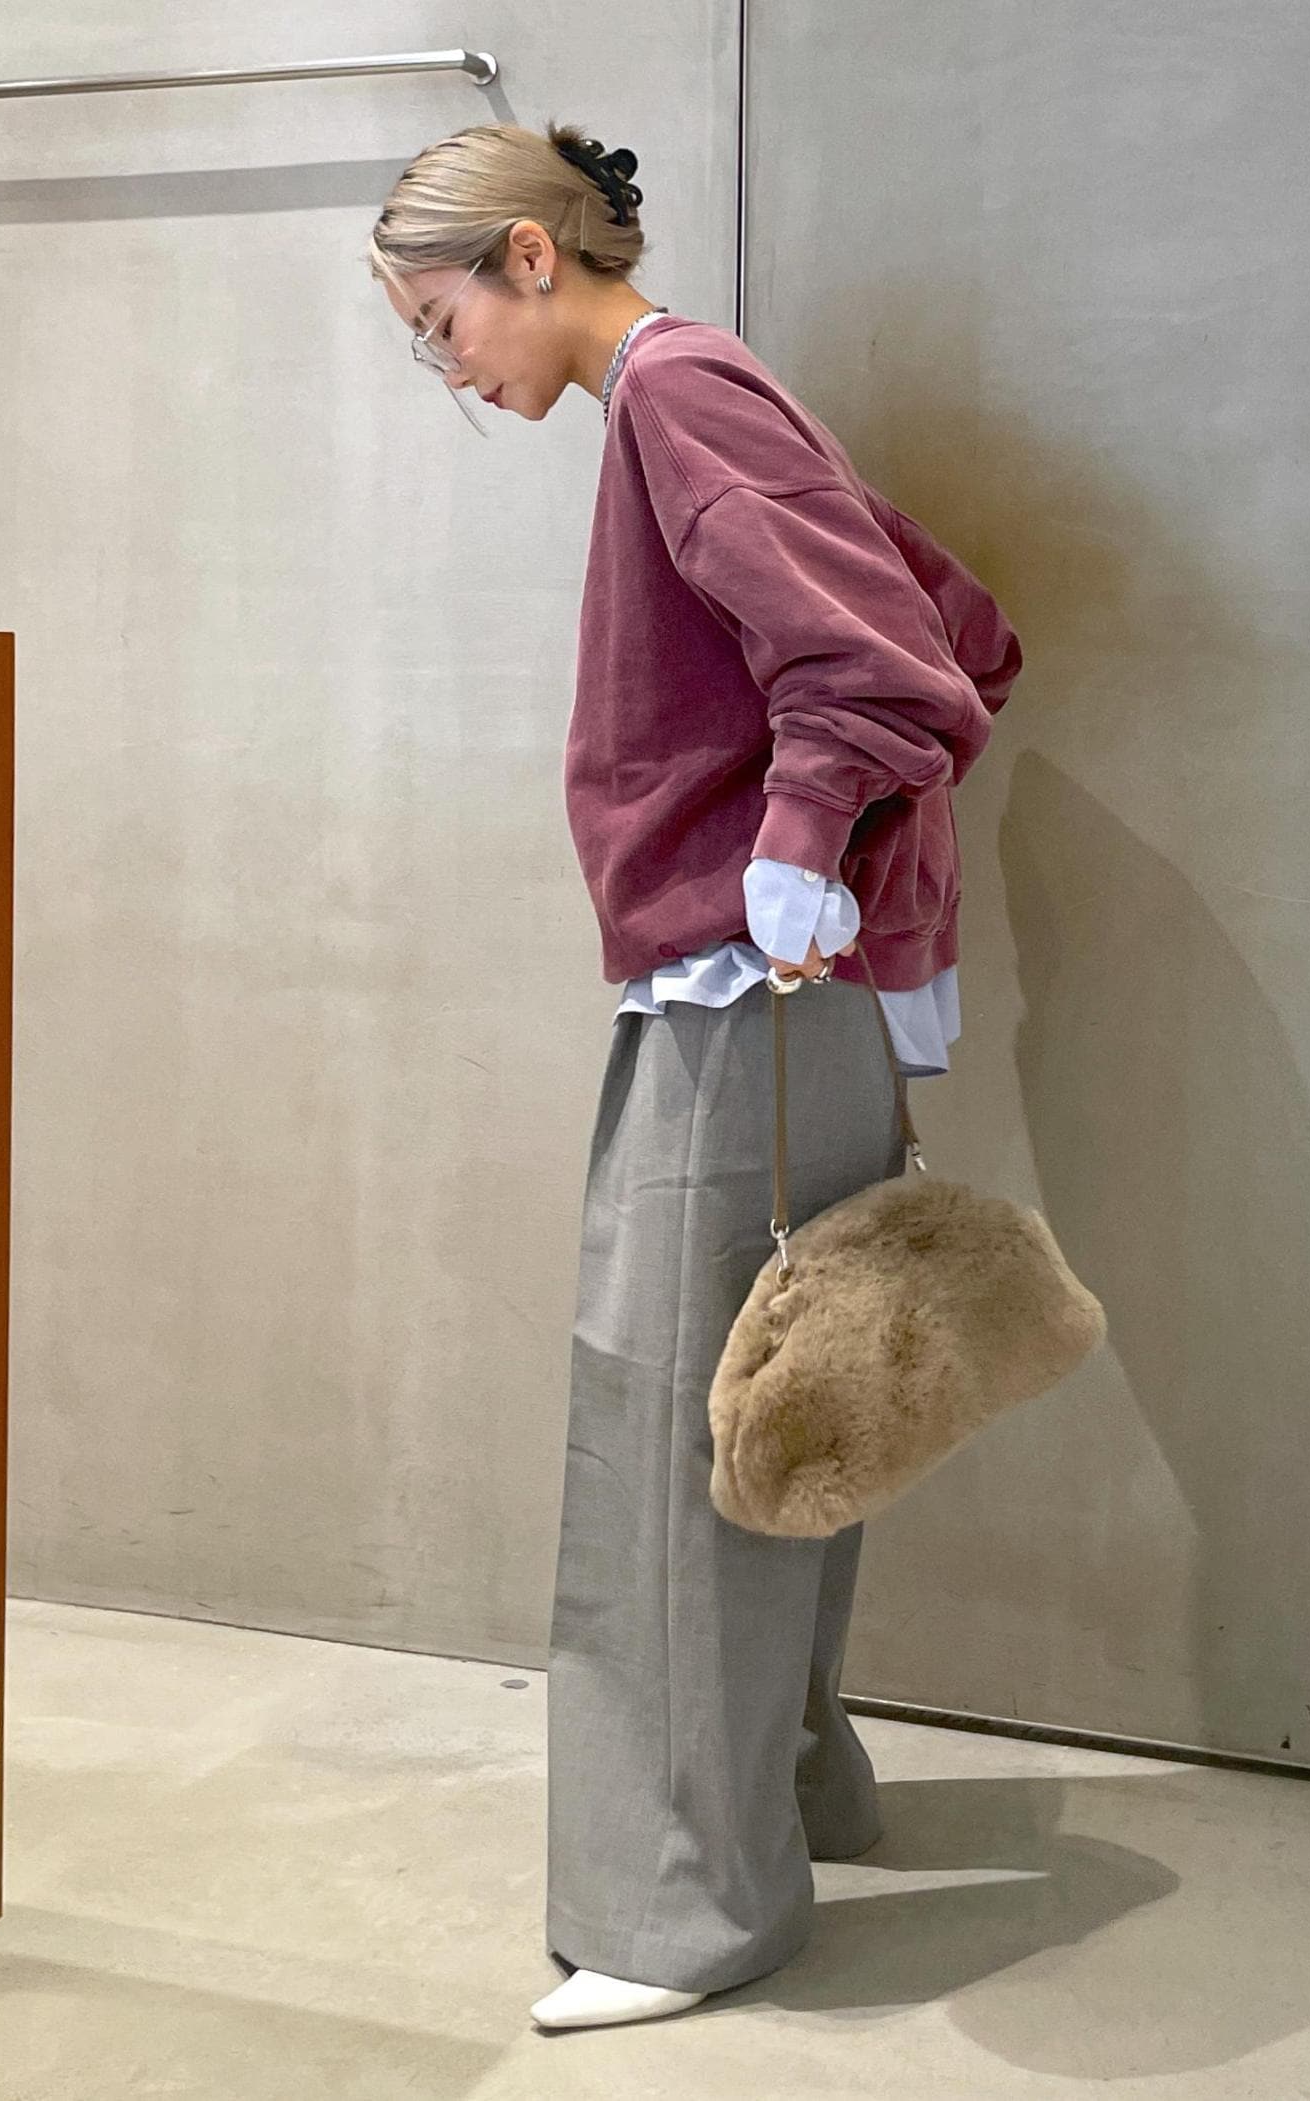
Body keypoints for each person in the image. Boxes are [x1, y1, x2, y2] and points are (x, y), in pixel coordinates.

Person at [368, 118, 1022, 2033]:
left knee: (674, 1437)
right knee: (788, 1405)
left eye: (440, 323)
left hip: (752, 993)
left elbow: (897, 667)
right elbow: (960, 624)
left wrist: (801, 844)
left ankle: (678, 1906)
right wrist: (851, 872)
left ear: (529, 256)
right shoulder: (707, 388)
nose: (450, 370)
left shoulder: (677, 394)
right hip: (796, 990)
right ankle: (792, 1798)